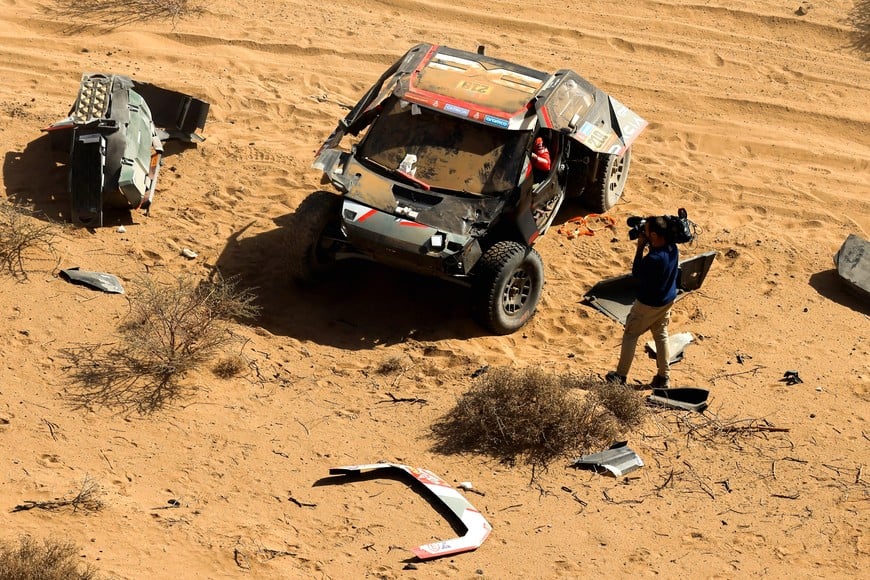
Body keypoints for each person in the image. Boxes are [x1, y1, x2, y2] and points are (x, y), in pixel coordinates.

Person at [606, 216, 679, 389]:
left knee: (631, 334)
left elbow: (637, 272)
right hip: (667, 300)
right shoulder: (672, 247)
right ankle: (663, 377)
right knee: (661, 335)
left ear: (653, 235)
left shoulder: (654, 258)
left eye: (646, 232)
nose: (643, 234)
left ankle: (620, 376)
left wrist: (639, 247)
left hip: (648, 304)